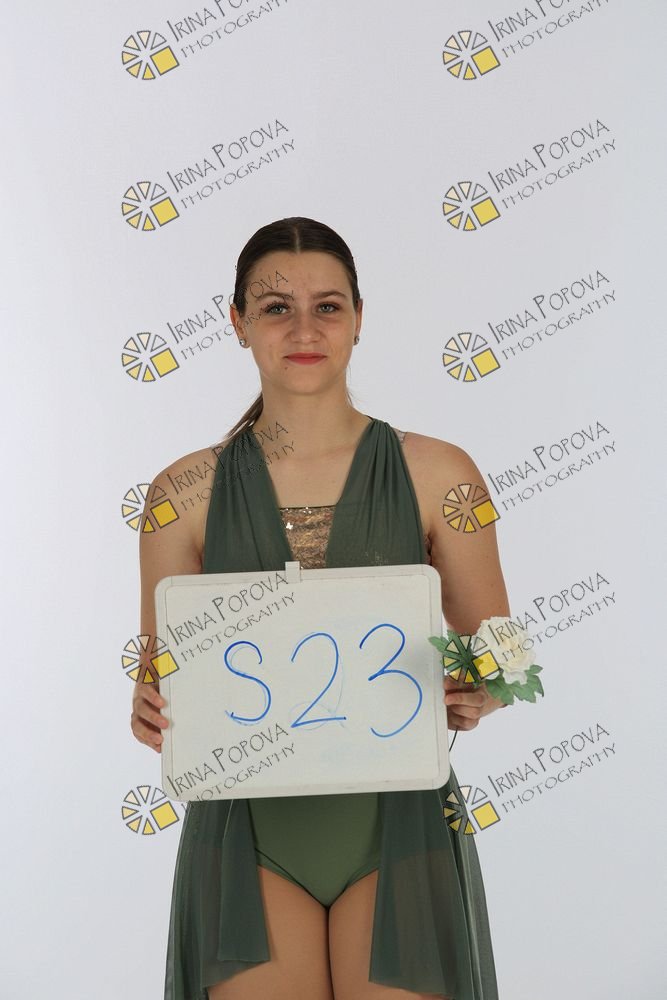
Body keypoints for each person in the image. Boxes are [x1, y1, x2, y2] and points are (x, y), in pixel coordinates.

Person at [131, 217, 511, 1000]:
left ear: (358, 318)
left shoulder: (441, 474)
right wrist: (148, 705)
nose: (303, 330)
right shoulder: (180, 496)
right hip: (244, 833)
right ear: (237, 322)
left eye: (327, 307)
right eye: (276, 308)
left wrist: (482, 685)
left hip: (400, 822)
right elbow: (159, 675)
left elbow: (505, 653)